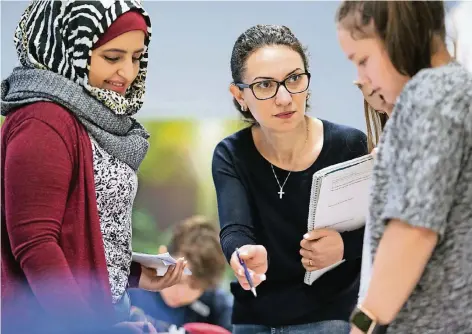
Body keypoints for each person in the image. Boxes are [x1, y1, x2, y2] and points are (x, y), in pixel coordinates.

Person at [1, 1, 186, 333]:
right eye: (112, 58)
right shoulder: (44, 119)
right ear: (70, 48)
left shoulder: (87, 116)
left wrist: (132, 273)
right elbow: (35, 244)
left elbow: (79, 233)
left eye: (136, 57)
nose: (128, 73)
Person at [211, 24, 368, 334]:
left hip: (330, 316)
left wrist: (345, 246)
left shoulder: (350, 145)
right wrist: (241, 254)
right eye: (265, 85)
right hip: (254, 318)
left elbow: (383, 228)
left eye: (294, 79)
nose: (284, 98)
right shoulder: (232, 154)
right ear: (239, 95)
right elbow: (234, 228)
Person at [336, 1, 472, 333]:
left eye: (363, 60)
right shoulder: (457, 89)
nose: (361, 79)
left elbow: (414, 227)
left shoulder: (430, 94)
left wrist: (363, 322)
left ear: (394, 35)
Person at [128, 216, 233, 332]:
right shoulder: (128, 285)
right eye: (179, 279)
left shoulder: (218, 307)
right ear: (162, 254)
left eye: (195, 287)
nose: (181, 293)